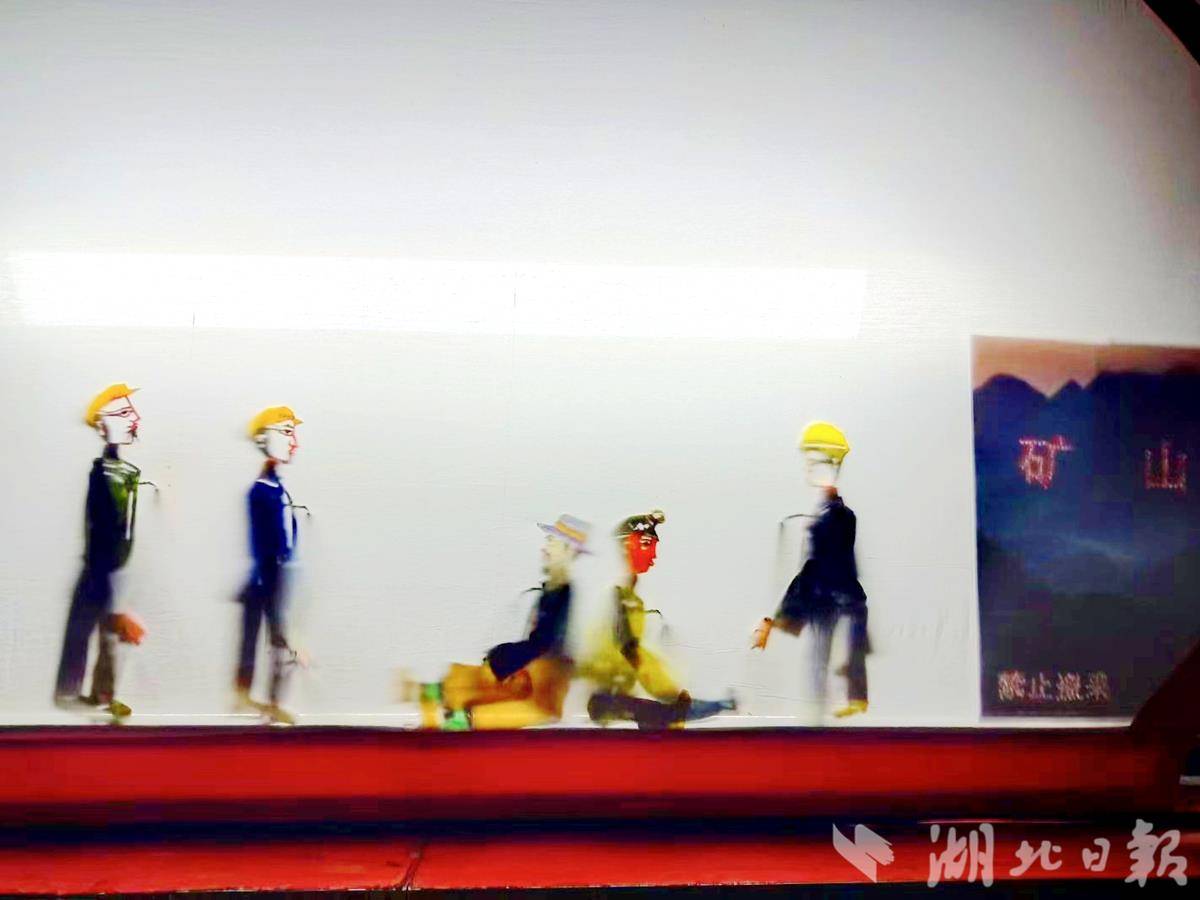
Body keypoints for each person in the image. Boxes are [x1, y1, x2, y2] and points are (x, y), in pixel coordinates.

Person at [410, 515, 589, 730]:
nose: (546, 546)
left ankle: (449, 708)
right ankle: (450, 711)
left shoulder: (561, 592)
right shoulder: (552, 589)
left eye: (552, 541)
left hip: (536, 676)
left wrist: (503, 658)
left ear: (568, 550)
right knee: (488, 692)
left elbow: (545, 643)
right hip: (528, 671)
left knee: (516, 703)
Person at [753, 421, 869, 718]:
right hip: (834, 601)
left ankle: (825, 711)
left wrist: (776, 620)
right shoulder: (831, 516)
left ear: (830, 464)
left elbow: (814, 568)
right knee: (821, 664)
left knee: (821, 665)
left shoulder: (834, 519)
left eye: (813, 461)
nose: (808, 468)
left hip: (831, 602)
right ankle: (828, 708)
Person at [582, 510, 734, 729]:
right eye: (646, 545)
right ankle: (716, 706)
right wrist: (671, 693)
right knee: (670, 716)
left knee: (669, 718)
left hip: (620, 697)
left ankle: (712, 707)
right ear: (627, 546)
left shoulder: (632, 599)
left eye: (654, 546)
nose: (653, 556)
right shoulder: (619, 598)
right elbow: (632, 652)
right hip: (607, 701)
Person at [54, 383, 147, 720]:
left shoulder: (126, 474)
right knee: (91, 629)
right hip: (101, 567)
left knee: (107, 635)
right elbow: (103, 533)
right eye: (123, 413)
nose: (134, 419)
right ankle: (74, 695)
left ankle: (102, 696)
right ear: (102, 425)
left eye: (131, 411)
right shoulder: (103, 475)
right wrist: (115, 595)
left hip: (114, 567)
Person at [236, 406, 304, 725]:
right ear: (264, 439)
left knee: (273, 639)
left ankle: (270, 699)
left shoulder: (277, 489)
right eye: (287, 432)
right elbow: (260, 538)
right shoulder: (261, 491)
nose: (294, 442)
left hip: (276, 573)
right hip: (268, 574)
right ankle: (260, 699)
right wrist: (265, 575)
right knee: (270, 639)